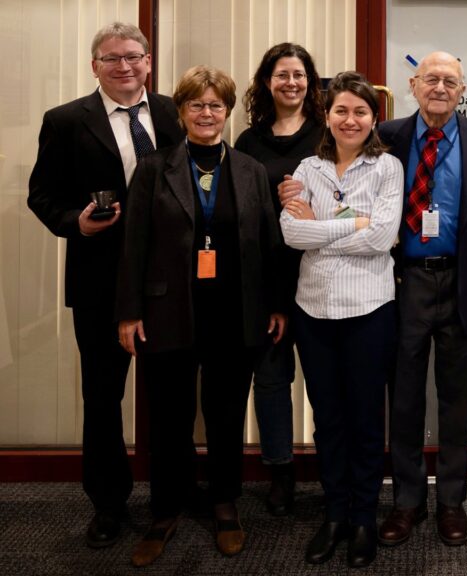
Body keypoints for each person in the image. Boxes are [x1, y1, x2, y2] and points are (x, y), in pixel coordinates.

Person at [278, 51, 467, 546]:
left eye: (450, 81)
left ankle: (451, 502)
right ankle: (407, 501)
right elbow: (339, 184)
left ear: (463, 89)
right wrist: (302, 200)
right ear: (413, 85)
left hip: (464, 283)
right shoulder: (390, 137)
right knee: (404, 398)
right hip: (405, 282)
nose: (440, 88)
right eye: (431, 79)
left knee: (456, 398)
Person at [115, 65, 286, 567]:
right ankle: (165, 509)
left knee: (226, 414)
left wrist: (276, 303)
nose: (206, 113)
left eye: (215, 105)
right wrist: (129, 312)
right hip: (168, 311)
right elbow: (134, 244)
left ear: (227, 111)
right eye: (196, 104)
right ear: (181, 111)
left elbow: (269, 242)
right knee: (169, 418)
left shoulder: (250, 170)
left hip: (235, 312)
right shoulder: (155, 168)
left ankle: (224, 502)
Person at [26, 21, 183, 549]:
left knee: (170, 396)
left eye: (133, 56)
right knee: (101, 397)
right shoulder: (66, 120)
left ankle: (170, 496)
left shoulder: (174, 113)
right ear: (94, 65)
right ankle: (108, 504)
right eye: (111, 58)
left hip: (167, 281)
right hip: (99, 279)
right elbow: (41, 195)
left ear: (148, 62)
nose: (124, 66)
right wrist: (75, 222)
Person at [279, 71, 403, 569]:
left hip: (369, 310)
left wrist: (322, 227)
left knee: (366, 419)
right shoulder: (307, 168)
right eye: (341, 111)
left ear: (374, 118)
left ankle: (364, 518)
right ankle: (335, 514)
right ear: (327, 116)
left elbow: (383, 237)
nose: (350, 120)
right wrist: (355, 223)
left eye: (360, 111)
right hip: (313, 310)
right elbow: (291, 234)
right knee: (327, 418)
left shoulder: (387, 167)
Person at [235, 41, 325, 517]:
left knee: (326, 381)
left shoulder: (329, 134)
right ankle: (280, 472)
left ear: (310, 82)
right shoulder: (249, 142)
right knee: (271, 380)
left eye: (299, 74)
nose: (291, 83)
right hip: (267, 278)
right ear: (267, 83)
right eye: (282, 75)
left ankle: (334, 470)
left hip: (322, 275)